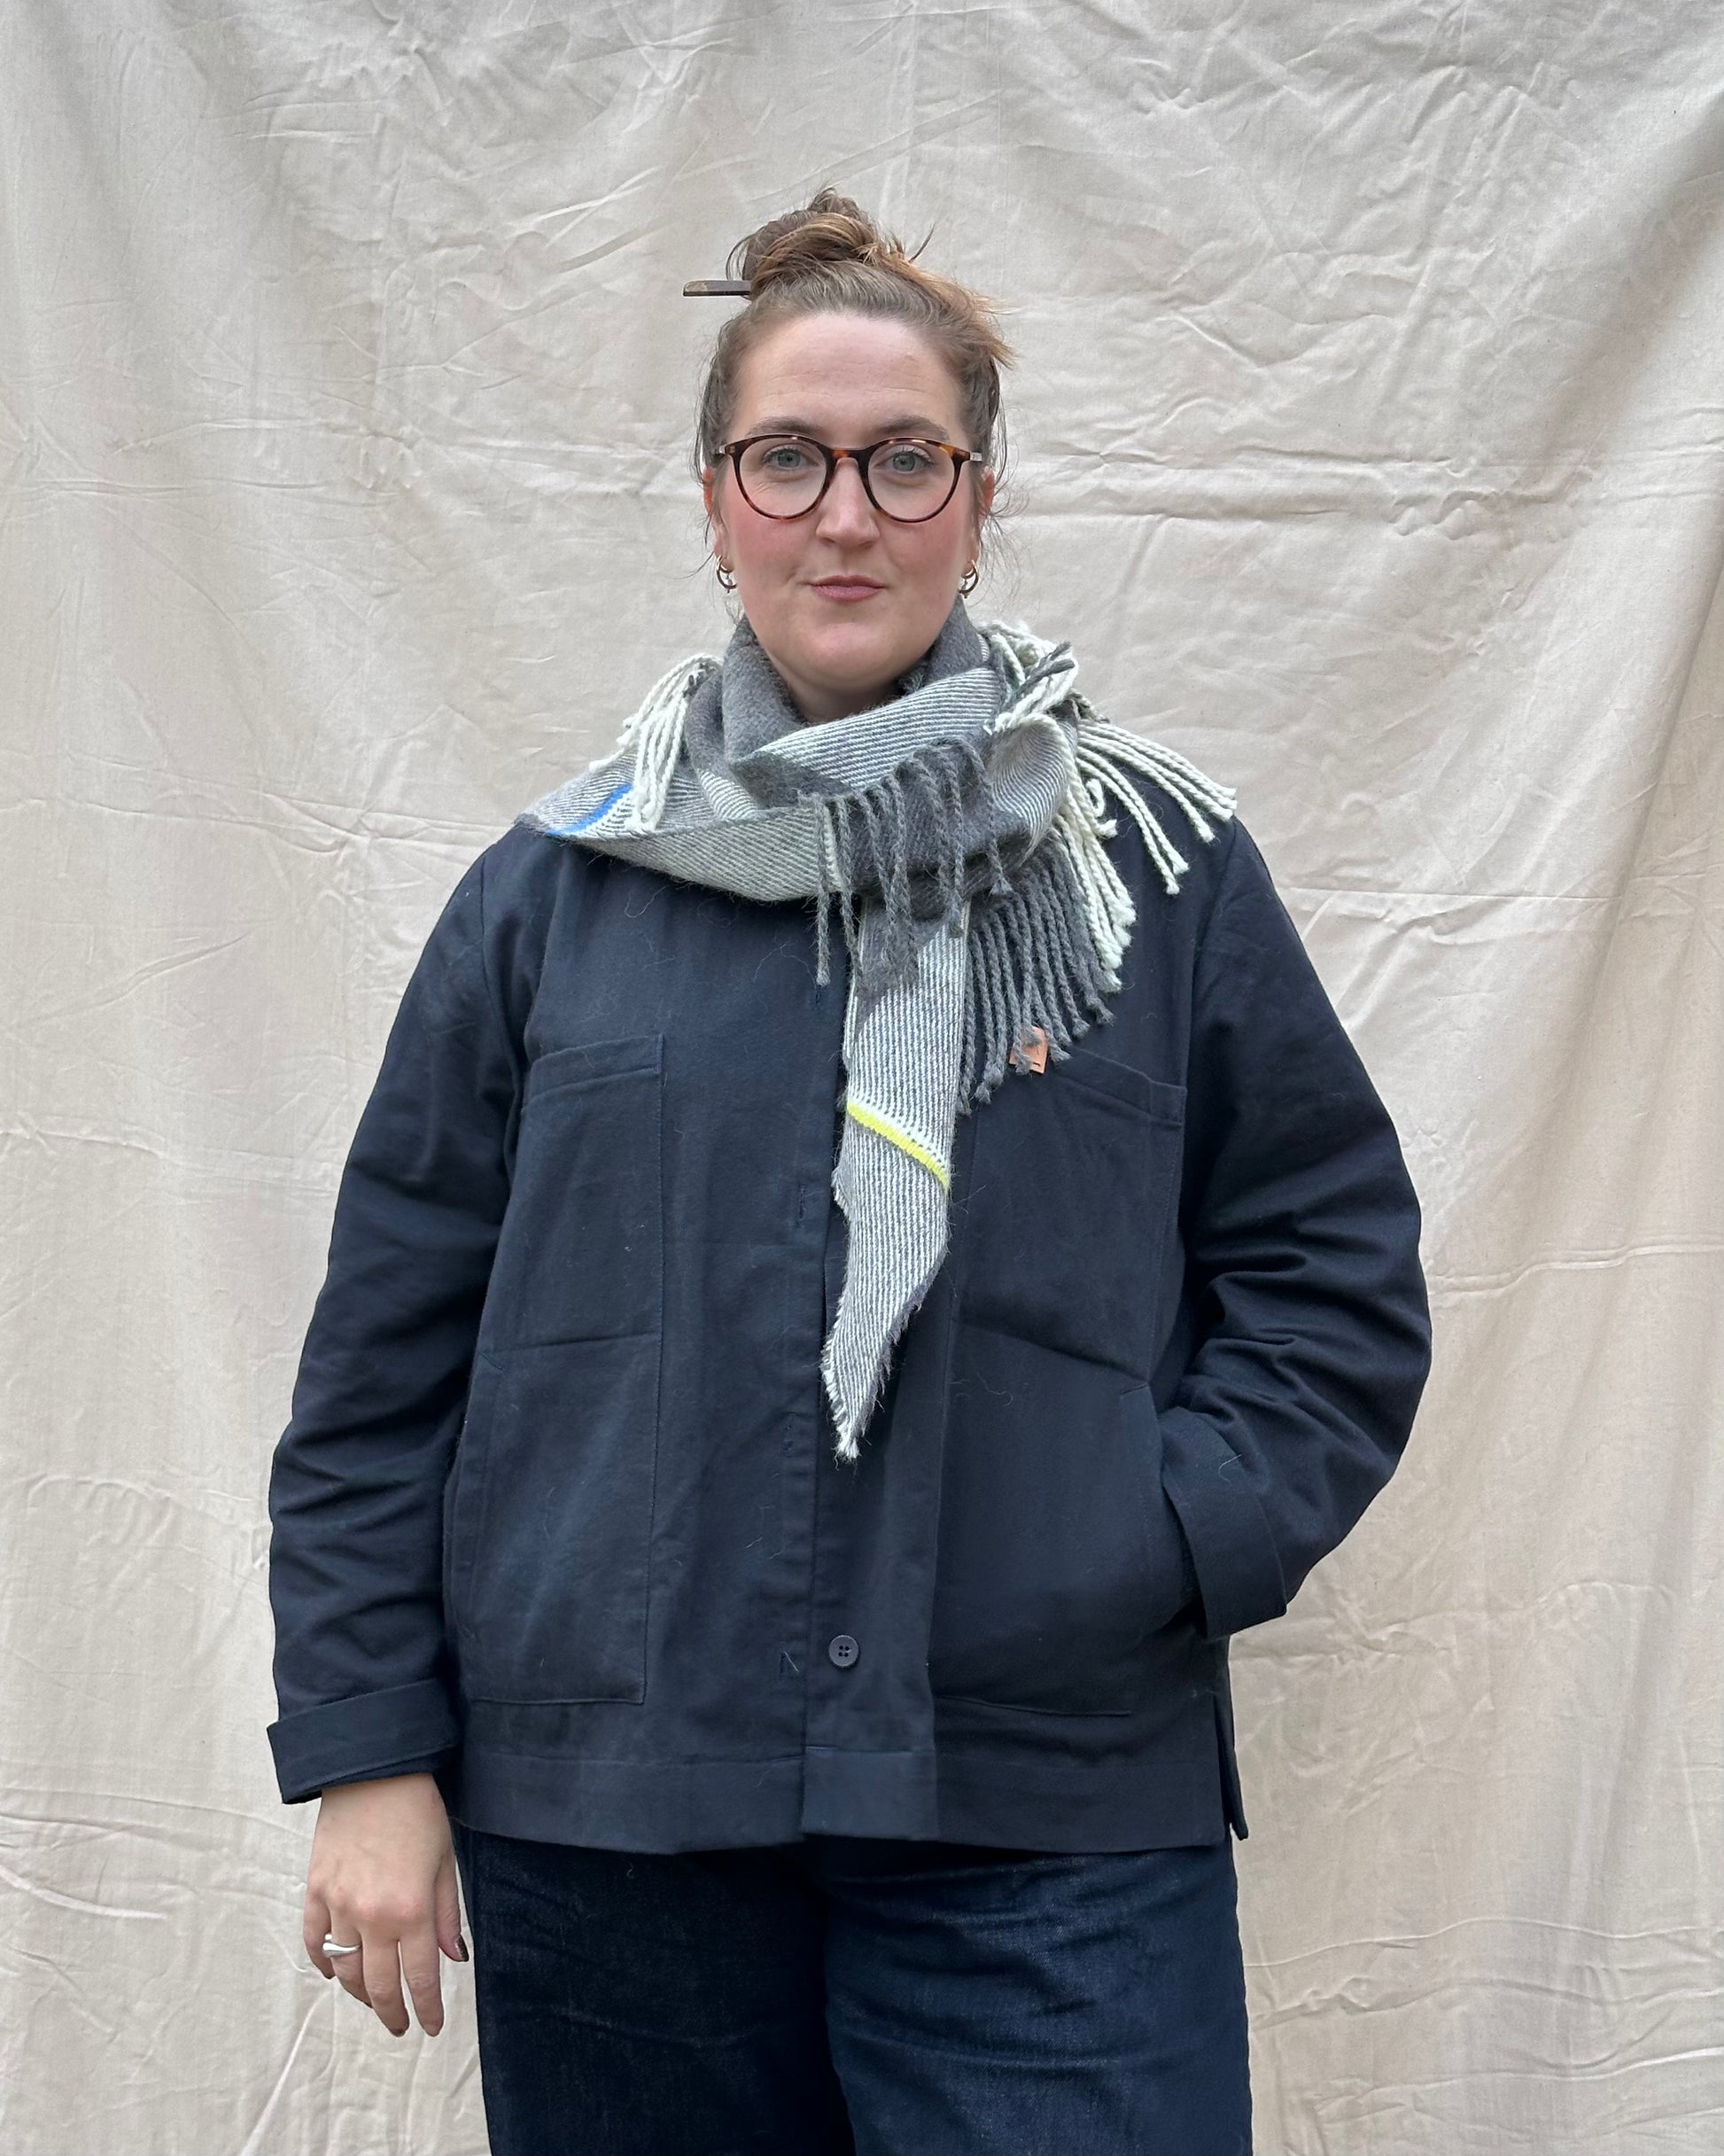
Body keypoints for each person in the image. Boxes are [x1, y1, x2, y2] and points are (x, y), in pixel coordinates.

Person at [267, 190, 1432, 2156]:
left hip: (1042, 1810)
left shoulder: (1149, 874)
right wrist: (368, 1746)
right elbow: (387, 1358)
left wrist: (1132, 1541)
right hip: (612, 1817)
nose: (845, 512)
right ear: (713, 500)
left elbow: (1331, 1280)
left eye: (906, 460)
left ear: (978, 498)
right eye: (787, 457)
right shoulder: (549, 897)